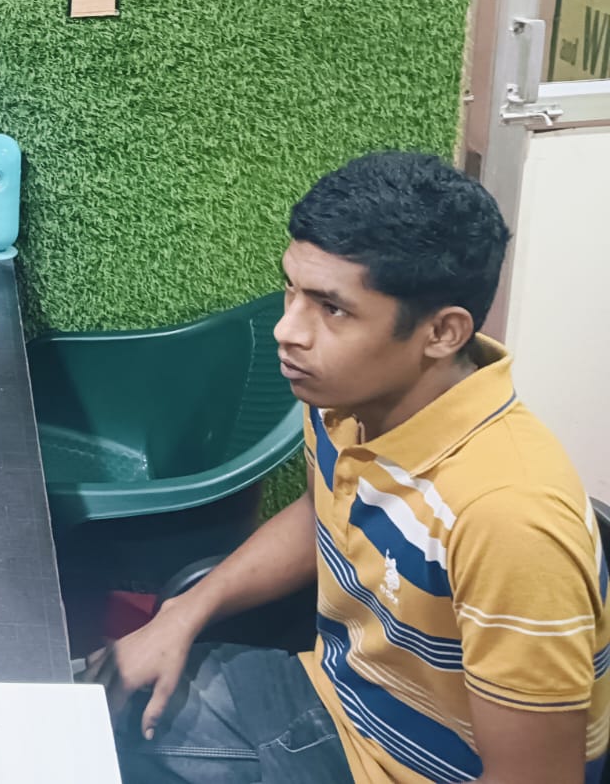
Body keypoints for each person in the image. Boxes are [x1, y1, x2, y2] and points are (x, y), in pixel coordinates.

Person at [91, 152, 609, 784]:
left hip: (410, 769)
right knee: (65, 718)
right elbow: (322, 510)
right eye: (292, 289)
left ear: (442, 333)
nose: (287, 330)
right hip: (331, 701)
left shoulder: (508, 518)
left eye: (332, 308)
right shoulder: (346, 396)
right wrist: (183, 612)